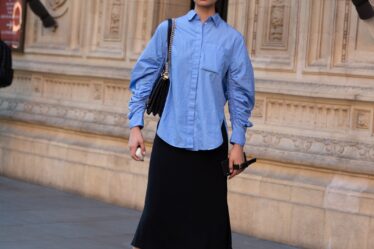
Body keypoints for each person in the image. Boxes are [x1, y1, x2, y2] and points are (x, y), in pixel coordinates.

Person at [127, 0, 255, 248]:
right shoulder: (169, 30)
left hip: (210, 149)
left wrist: (238, 144)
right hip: (169, 143)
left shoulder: (232, 40)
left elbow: (240, 96)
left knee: (208, 233)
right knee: (158, 228)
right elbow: (144, 77)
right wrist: (135, 127)